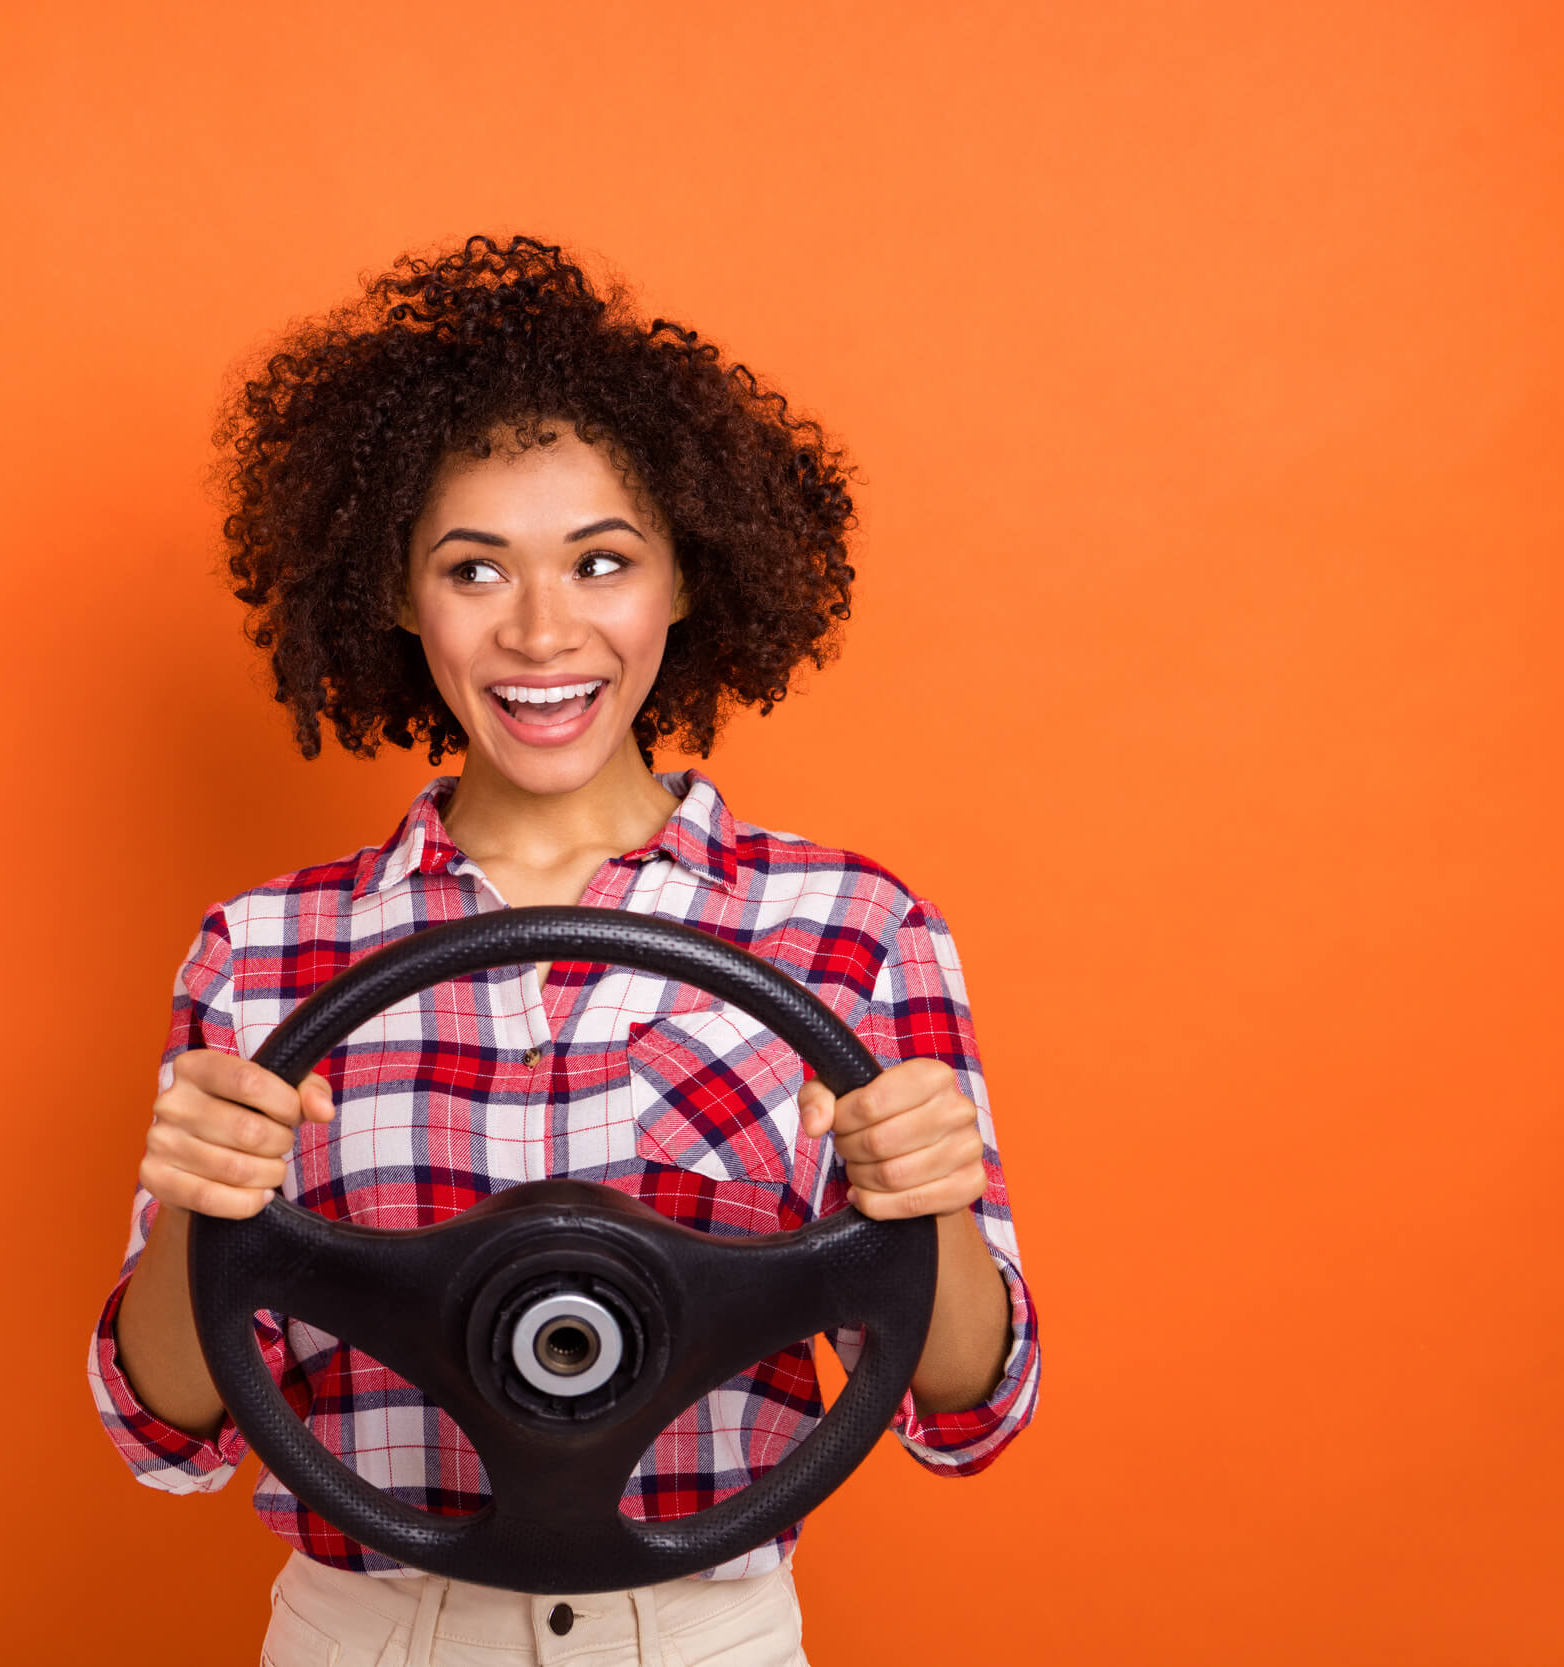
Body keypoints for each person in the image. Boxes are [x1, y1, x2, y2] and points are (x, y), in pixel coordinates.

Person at [86, 235, 1040, 1667]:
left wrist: (929, 1200)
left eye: (602, 561)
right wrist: (205, 1203)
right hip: (372, 1636)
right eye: (476, 569)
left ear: (685, 583)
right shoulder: (265, 949)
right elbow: (165, 1426)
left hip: (704, 1634)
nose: (543, 632)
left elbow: (971, 1406)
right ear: (399, 598)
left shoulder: (854, 931)